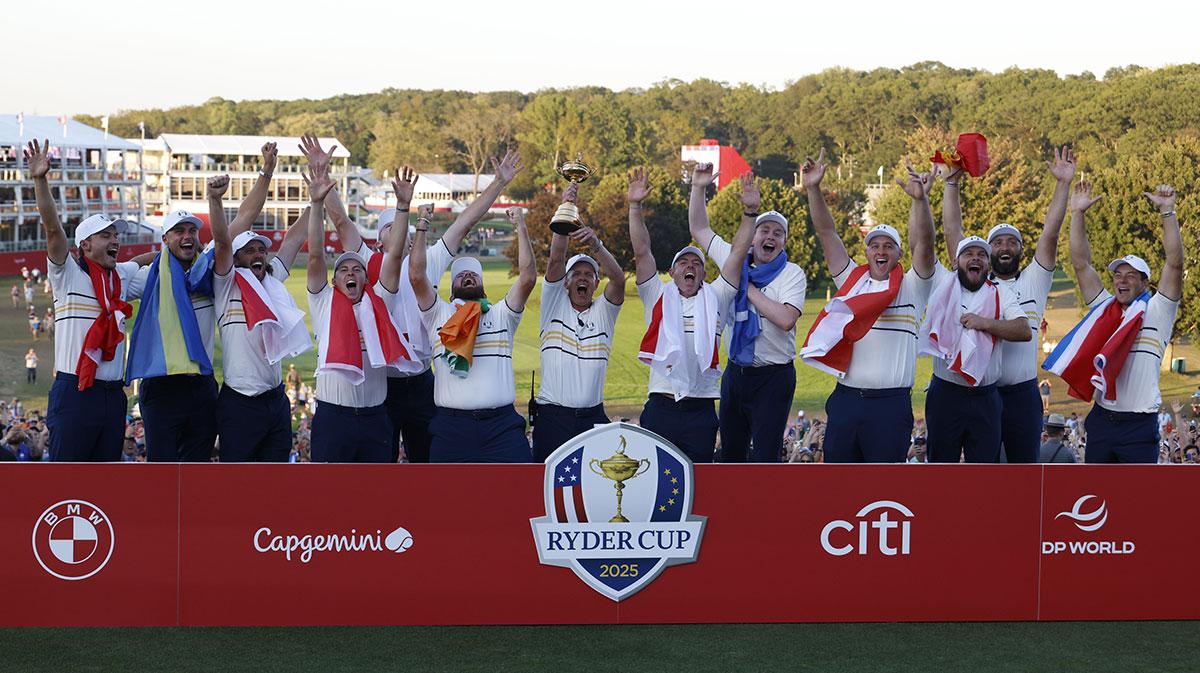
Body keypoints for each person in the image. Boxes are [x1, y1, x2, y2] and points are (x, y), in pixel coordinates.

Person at [324, 150, 525, 463]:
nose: (401, 232)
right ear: (378, 241)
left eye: (402, 226)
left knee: (429, 463)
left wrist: (498, 183)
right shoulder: (365, 262)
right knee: (383, 466)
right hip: (384, 384)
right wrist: (323, 179)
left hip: (422, 380)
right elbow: (340, 221)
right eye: (391, 227)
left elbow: (465, 221)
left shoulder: (429, 260)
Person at [800, 153, 938, 462]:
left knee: (882, 488)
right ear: (866, 252)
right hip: (847, 400)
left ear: (899, 254)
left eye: (888, 246)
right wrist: (813, 189)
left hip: (890, 405)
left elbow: (926, 244)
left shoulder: (913, 286)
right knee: (839, 485)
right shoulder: (851, 281)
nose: (880, 250)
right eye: (874, 245)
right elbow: (827, 233)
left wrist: (920, 202)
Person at [941, 146, 1076, 462]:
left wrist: (1063, 184)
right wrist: (951, 185)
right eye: (997, 242)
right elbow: (952, 234)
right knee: (985, 471)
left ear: (1020, 249)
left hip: (1022, 393)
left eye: (1011, 242)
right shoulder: (974, 281)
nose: (1005, 246)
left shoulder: (1034, 280)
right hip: (982, 393)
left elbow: (1051, 234)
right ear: (986, 253)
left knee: (1023, 469)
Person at [1044, 181, 1183, 463]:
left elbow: (1175, 264)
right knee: (1097, 496)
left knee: (1136, 500)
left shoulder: (1159, 309)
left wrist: (1168, 212)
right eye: (1118, 275)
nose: (1122, 280)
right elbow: (1081, 263)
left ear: (1145, 282)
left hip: (1139, 424)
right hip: (1103, 420)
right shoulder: (1104, 308)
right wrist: (1078, 214)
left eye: (1131, 275)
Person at [24, 139, 145, 462]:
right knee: (68, 481)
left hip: (112, 396)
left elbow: (149, 262)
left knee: (106, 484)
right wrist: (40, 180)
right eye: (106, 235)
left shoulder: (120, 276)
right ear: (86, 245)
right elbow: (52, 231)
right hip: (74, 392)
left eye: (116, 235)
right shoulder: (67, 275)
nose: (115, 240)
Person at [302, 135, 420, 463]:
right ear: (335, 280)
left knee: (375, 502)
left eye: (357, 268)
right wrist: (316, 204)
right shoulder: (323, 301)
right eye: (343, 270)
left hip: (374, 419)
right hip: (333, 417)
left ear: (367, 277)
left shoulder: (379, 300)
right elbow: (314, 255)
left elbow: (395, 257)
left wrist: (402, 208)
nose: (350, 272)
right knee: (327, 499)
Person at [687, 162, 807, 463]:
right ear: (752, 238)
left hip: (774, 376)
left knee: (765, 456)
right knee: (731, 453)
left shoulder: (792, 273)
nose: (771, 236)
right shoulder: (734, 259)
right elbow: (699, 228)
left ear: (784, 243)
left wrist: (746, 289)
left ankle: (765, 509)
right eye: (764, 230)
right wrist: (698, 187)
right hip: (737, 373)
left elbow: (785, 319)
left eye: (778, 233)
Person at [631, 170, 750, 463]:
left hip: (700, 410)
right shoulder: (657, 294)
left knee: (698, 484)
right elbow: (642, 251)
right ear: (671, 273)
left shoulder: (717, 297)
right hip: (661, 405)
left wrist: (750, 213)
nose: (690, 266)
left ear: (704, 275)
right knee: (655, 482)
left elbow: (738, 254)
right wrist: (634, 208)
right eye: (682, 262)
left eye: (696, 263)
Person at [409, 198, 536, 463]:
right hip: (451, 429)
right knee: (447, 502)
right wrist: (422, 225)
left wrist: (521, 227)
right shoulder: (440, 314)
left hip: (501, 428)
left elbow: (527, 278)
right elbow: (417, 277)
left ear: (483, 286)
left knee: (517, 499)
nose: (468, 277)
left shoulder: (501, 314)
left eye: (474, 275)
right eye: (461, 276)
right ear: (451, 287)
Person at [209, 169, 312, 462]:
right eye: (250, 250)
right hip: (239, 403)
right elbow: (221, 241)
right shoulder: (225, 284)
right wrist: (215, 201)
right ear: (236, 257)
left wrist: (317, 201)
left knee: (275, 481)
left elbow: (293, 240)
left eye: (261, 250)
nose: (258, 254)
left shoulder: (271, 280)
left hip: (275, 401)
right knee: (237, 483)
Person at [531, 182, 625, 462]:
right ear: (566, 283)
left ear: (596, 284)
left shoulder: (603, 312)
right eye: (577, 274)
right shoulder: (553, 304)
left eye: (589, 274)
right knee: (548, 488)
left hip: (593, 418)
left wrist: (596, 244)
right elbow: (556, 258)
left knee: (595, 491)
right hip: (552, 418)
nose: (583, 278)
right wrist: (566, 209)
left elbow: (618, 279)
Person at [921, 228, 1032, 463]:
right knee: (940, 466)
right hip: (946, 394)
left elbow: (1024, 331)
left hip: (985, 396)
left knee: (985, 473)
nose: (975, 258)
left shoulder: (1001, 292)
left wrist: (985, 323)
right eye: (968, 254)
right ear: (955, 261)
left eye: (981, 255)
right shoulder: (942, 284)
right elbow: (924, 242)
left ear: (988, 263)